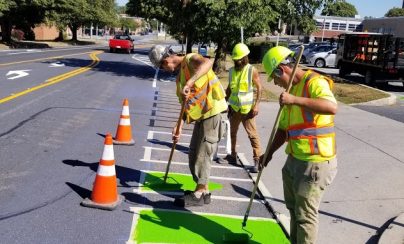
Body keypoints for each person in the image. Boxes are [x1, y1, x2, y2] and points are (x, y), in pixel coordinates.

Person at [260, 46, 338, 244]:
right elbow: (283, 130)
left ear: (282, 70)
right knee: (294, 211)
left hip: (314, 162)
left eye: (275, 78)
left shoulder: (314, 82)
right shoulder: (290, 91)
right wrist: (267, 155)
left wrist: (294, 100)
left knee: (305, 217)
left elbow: (331, 107)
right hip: (295, 160)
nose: (276, 83)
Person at [149, 45, 227, 206]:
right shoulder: (180, 77)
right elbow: (186, 104)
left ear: (168, 57)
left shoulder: (191, 59)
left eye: (163, 65)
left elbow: (207, 62)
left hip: (213, 112)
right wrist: (179, 126)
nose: (164, 69)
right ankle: (203, 191)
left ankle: (199, 194)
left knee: (203, 154)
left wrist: (191, 81)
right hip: (202, 117)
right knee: (194, 154)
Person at [226, 43, 262, 173]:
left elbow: (259, 88)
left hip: (248, 110)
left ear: (245, 58)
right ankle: (232, 155)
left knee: (253, 136)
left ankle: (257, 160)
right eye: (236, 59)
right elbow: (230, 89)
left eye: (240, 59)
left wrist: (257, 105)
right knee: (232, 134)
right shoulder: (231, 71)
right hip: (235, 109)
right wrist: (225, 103)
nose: (238, 61)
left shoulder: (252, 70)